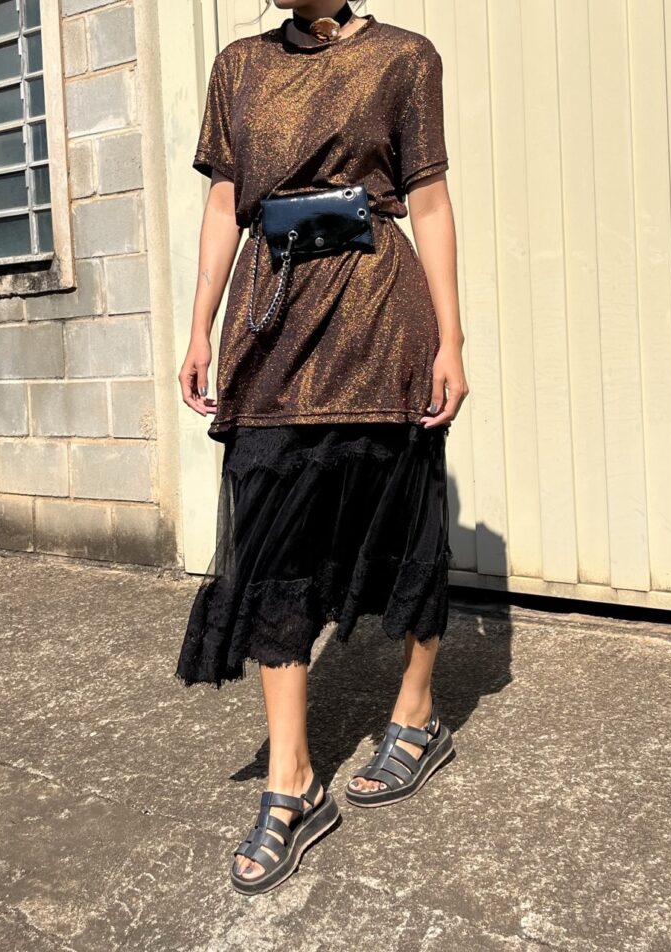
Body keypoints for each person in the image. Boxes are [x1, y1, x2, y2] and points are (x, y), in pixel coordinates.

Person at [175, 0, 469, 894]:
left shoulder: (406, 57)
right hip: (271, 325)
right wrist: (199, 326)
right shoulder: (239, 65)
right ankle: (293, 781)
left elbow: (428, 200)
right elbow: (224, 203)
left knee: (404, 514)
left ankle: (415, 716)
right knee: (270, 534)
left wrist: (452, 341)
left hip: (380, 316)